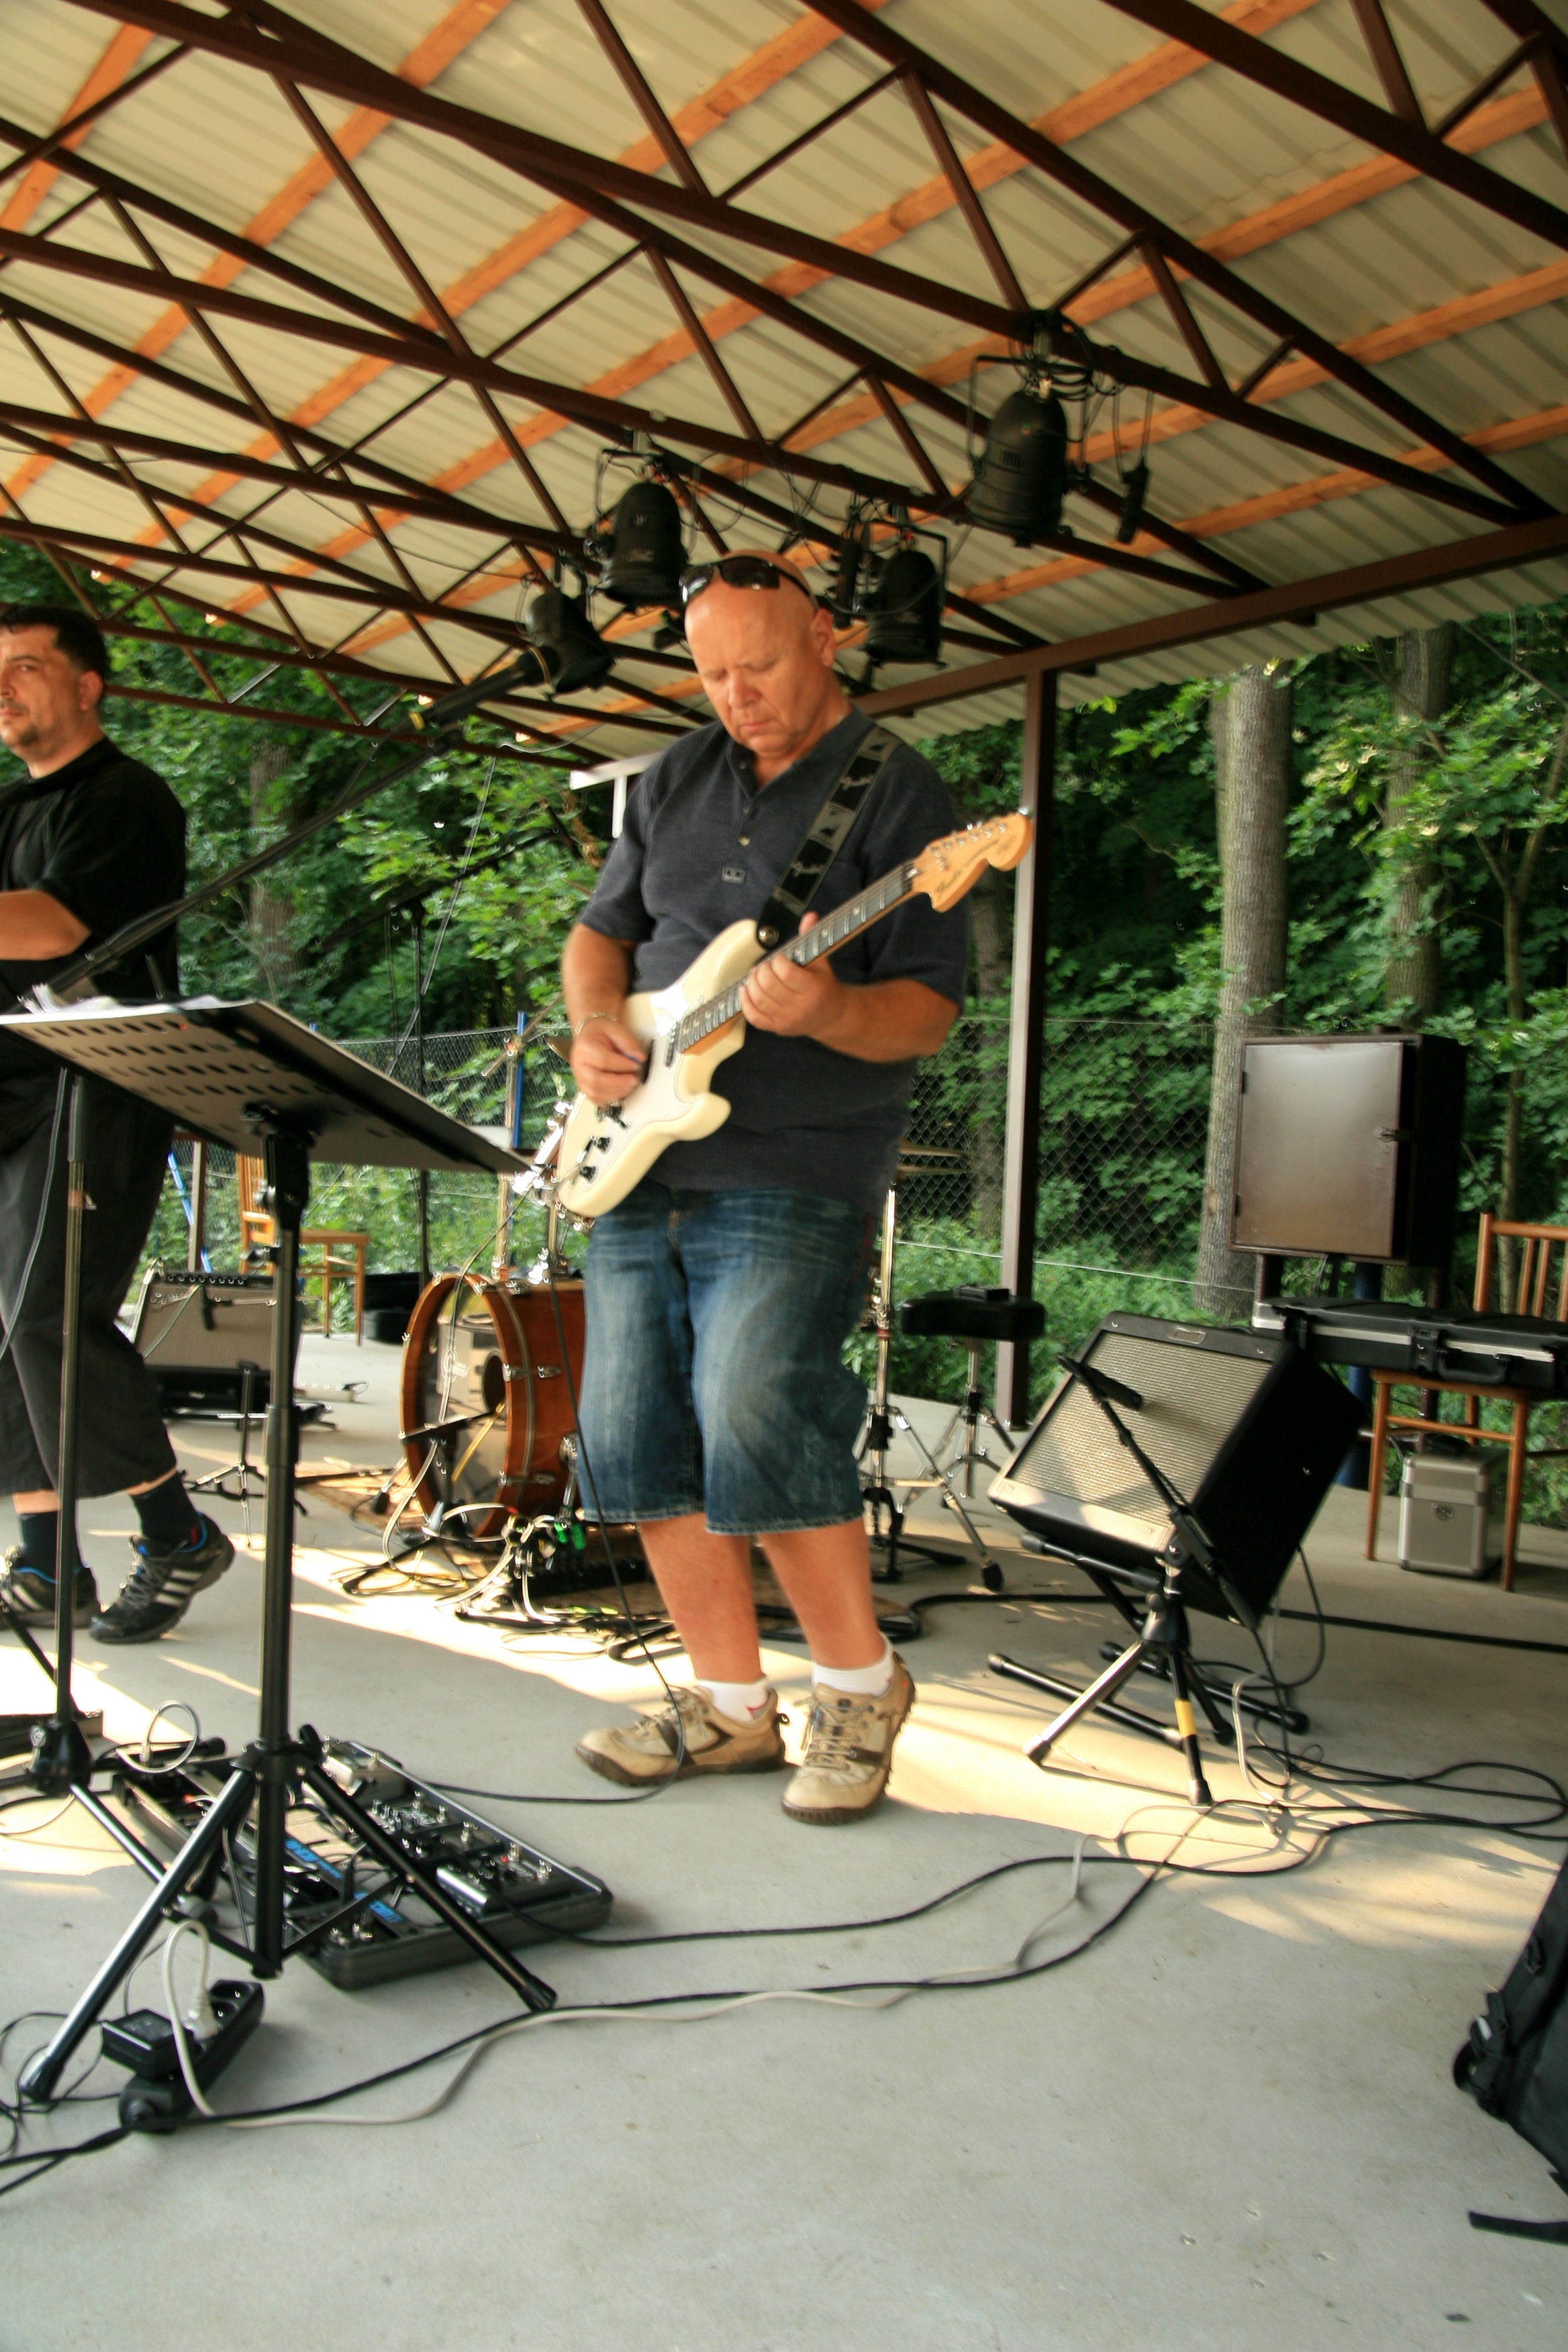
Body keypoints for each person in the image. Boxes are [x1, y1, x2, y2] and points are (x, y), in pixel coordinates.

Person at [562, 550, 967, 1823]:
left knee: (756, 1411)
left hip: (796, 1161)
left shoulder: (902, 794)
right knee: (637, 1433)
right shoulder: (674, 775)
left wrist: (835, 1005)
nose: (740, 695)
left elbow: (926, 1016)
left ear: (828, 639)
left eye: (764, 666)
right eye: (716, 673)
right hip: (639, 1146)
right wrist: (591, 1029)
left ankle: (859, 1686)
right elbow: (601, 933)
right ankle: (730, 1705)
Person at [0, 603, 234, 1643]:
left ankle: (177, 1535)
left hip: (90, 1087)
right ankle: (47, 1566)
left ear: (89, 685)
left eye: (25, 668)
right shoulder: (9, 806)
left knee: (52, 1315)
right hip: (11, 1092)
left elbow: (54, 927)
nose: (3, 688)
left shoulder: (126, 798)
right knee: (5, 1332)